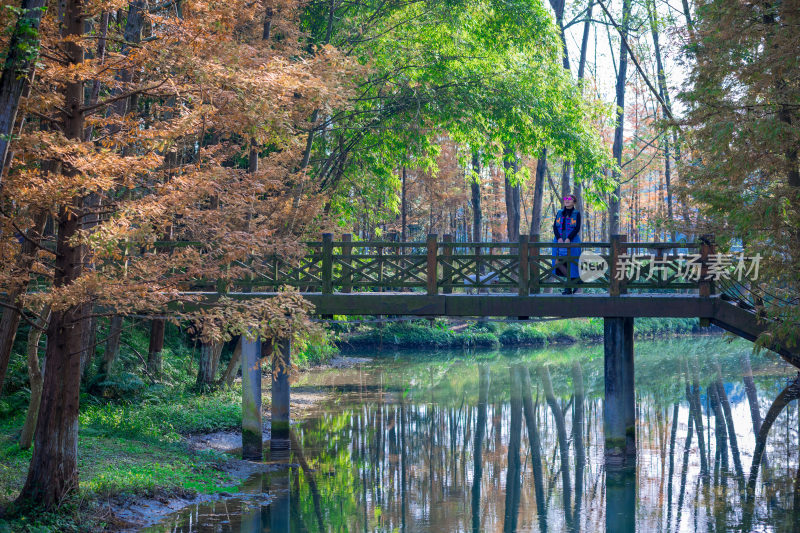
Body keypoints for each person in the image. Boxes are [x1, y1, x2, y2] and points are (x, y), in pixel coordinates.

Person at [552, 193, 582, 294]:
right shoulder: (560, 212)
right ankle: (574, 283)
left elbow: (577, 227)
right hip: (559, 241)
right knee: (558, 262)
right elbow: (555, 227)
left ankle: (568, 287)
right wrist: (559, 238)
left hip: (572, 240)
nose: (567, 200)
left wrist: (569, 238)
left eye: (570, 199)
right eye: (565, 198)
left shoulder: (576, 213)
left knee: (571, 263)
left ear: (574, 202)